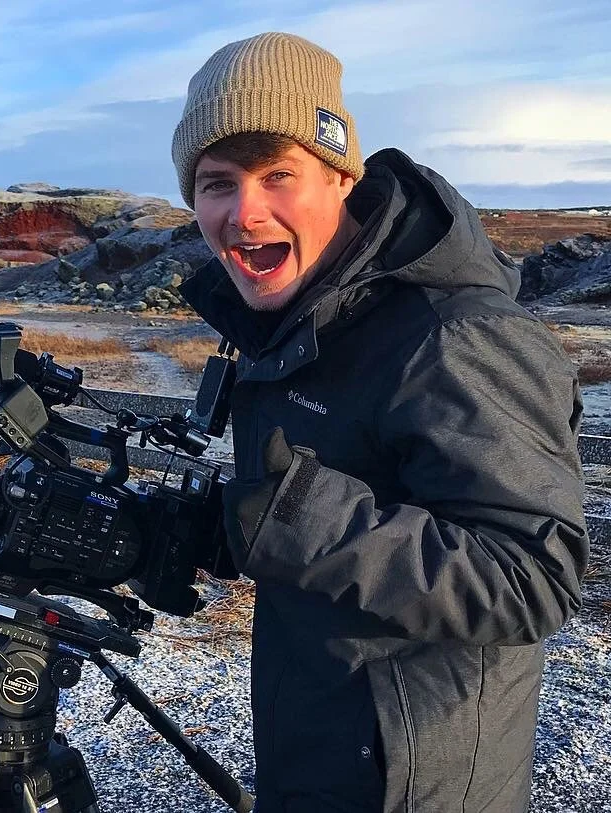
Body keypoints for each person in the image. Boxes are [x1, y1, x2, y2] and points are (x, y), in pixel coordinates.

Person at [171, 32, 589, 812]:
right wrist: (224, 529)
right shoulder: (301, 319)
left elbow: (534, 575)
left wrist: (299, 518)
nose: (244, 212)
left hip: (420, 786)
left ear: (341, 176)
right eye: (217, 183)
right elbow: (342, 507)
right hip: (319, 752)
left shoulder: (453, 334)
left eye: (278, 174)